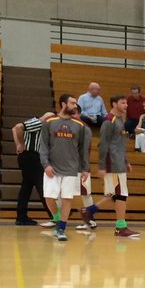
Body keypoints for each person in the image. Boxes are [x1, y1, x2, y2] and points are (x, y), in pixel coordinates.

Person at [39, 92, 91, 242]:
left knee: (67, 198)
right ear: (64, 104)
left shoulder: (81, 126)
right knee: (49, 197)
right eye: (73, 103)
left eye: (75, 103)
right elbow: (43, 146)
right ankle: (56, 218)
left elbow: (84, 150)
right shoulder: (49, 121)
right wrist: (46, 164)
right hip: (52, 168)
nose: (75, 106)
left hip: (71, 168)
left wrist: (85, 168)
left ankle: (61, 228)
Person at [98, 94, 140, 238]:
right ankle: (120, 227)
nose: (126, 105)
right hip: (113, 164)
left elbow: (120, 145)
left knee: (115, 195)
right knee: (120, 195)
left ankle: (89, 211)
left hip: (119, 163)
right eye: (123, 103)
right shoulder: (109, 121)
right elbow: (102, 144)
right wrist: (102, 166)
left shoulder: (120, 121)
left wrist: (126, 161)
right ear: (114, 104)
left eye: (126, 103)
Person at [12, 111, 49, 225]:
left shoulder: (33, 122)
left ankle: (21, 216)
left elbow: (14, 129)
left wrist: (18, 143)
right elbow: (17, 127)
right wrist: (20, 144)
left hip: (27, 157)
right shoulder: (39, 122)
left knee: (27, 187)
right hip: (31, 156)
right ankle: (53, 213)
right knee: (41, 185)